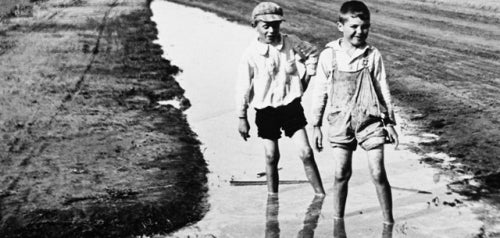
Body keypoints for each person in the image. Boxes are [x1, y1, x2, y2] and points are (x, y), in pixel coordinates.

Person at [310, 0, 399, 224]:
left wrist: (389, 122)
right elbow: (319, 92)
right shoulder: (329, 55)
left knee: (378, 172)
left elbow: (382, 88)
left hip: (370, 120)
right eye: (354, 27)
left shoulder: (372, 54)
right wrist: (316, 125)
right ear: (340, 26)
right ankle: (337, 223)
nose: (360, 31)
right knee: (341, 173)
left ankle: (389, 223)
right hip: (340, 120)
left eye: (365, 26)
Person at [236, 2, 325, 196]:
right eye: (265, 25)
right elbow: (243, 86)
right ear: (255, 26)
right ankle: (273, 201)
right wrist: (242, 117)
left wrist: (306, 78)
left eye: (275, 25)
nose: (271, 30)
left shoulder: (291, 42)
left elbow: (312, 53)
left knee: (306, 152)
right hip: (265, 110)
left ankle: (320, 195)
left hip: (290, 106)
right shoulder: (250, 54)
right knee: (271, 155)